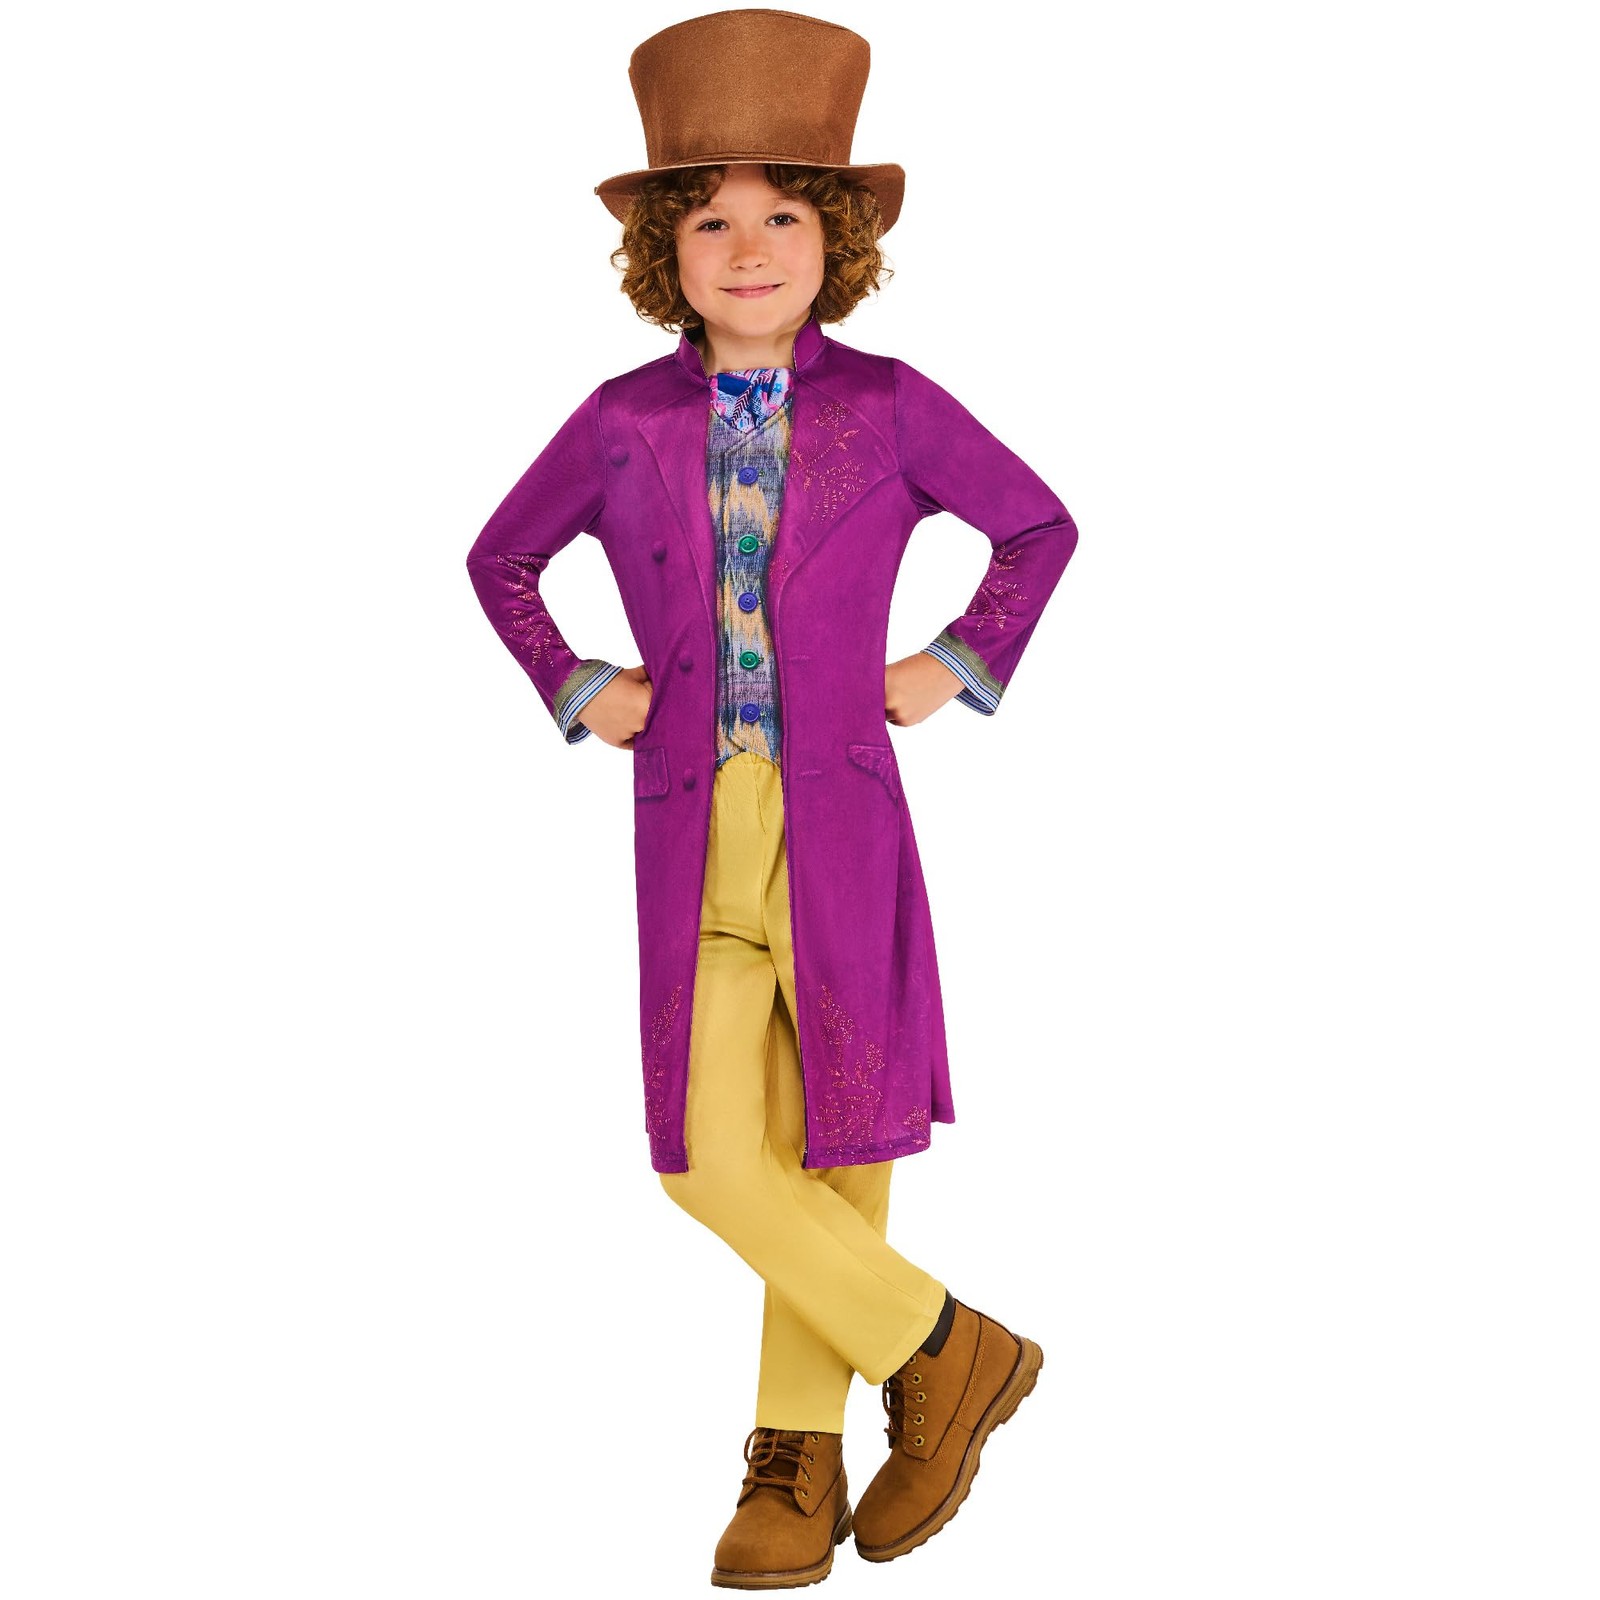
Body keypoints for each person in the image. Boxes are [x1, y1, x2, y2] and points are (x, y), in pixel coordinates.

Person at [465, 10, 1079, 1588]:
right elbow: (501, 558)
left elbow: (1037, 528)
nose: (749, 250)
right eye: (712, 222)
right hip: (694, 817)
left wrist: (954, 660)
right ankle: (943, 1346)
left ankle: (797, 1457)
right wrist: (578, 681)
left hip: (843, 814)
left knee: (836, 1134)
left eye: (785, 216)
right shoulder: (623, 423)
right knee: (701, 1153)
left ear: (838, 241)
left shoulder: (893, 406)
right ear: (664, 251)